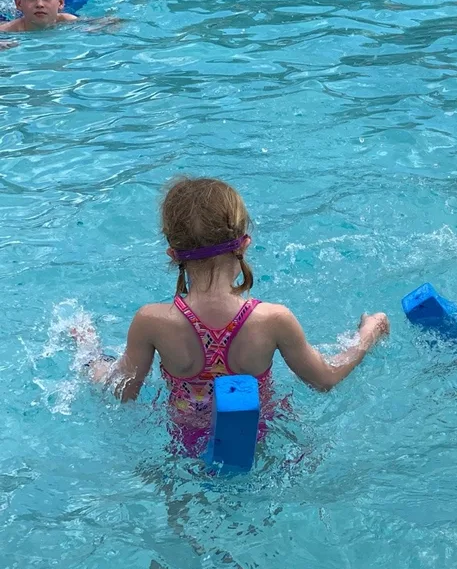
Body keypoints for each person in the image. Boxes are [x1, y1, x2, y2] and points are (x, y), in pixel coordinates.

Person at [73, 176, 390, 455]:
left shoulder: (152, 322)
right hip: (261, 438)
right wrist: (368, 335)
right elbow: (325, 378)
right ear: (245, 245)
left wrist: (89, 352)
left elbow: (123, 391)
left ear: (172, 255)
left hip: (185, 446)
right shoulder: (274, 319)